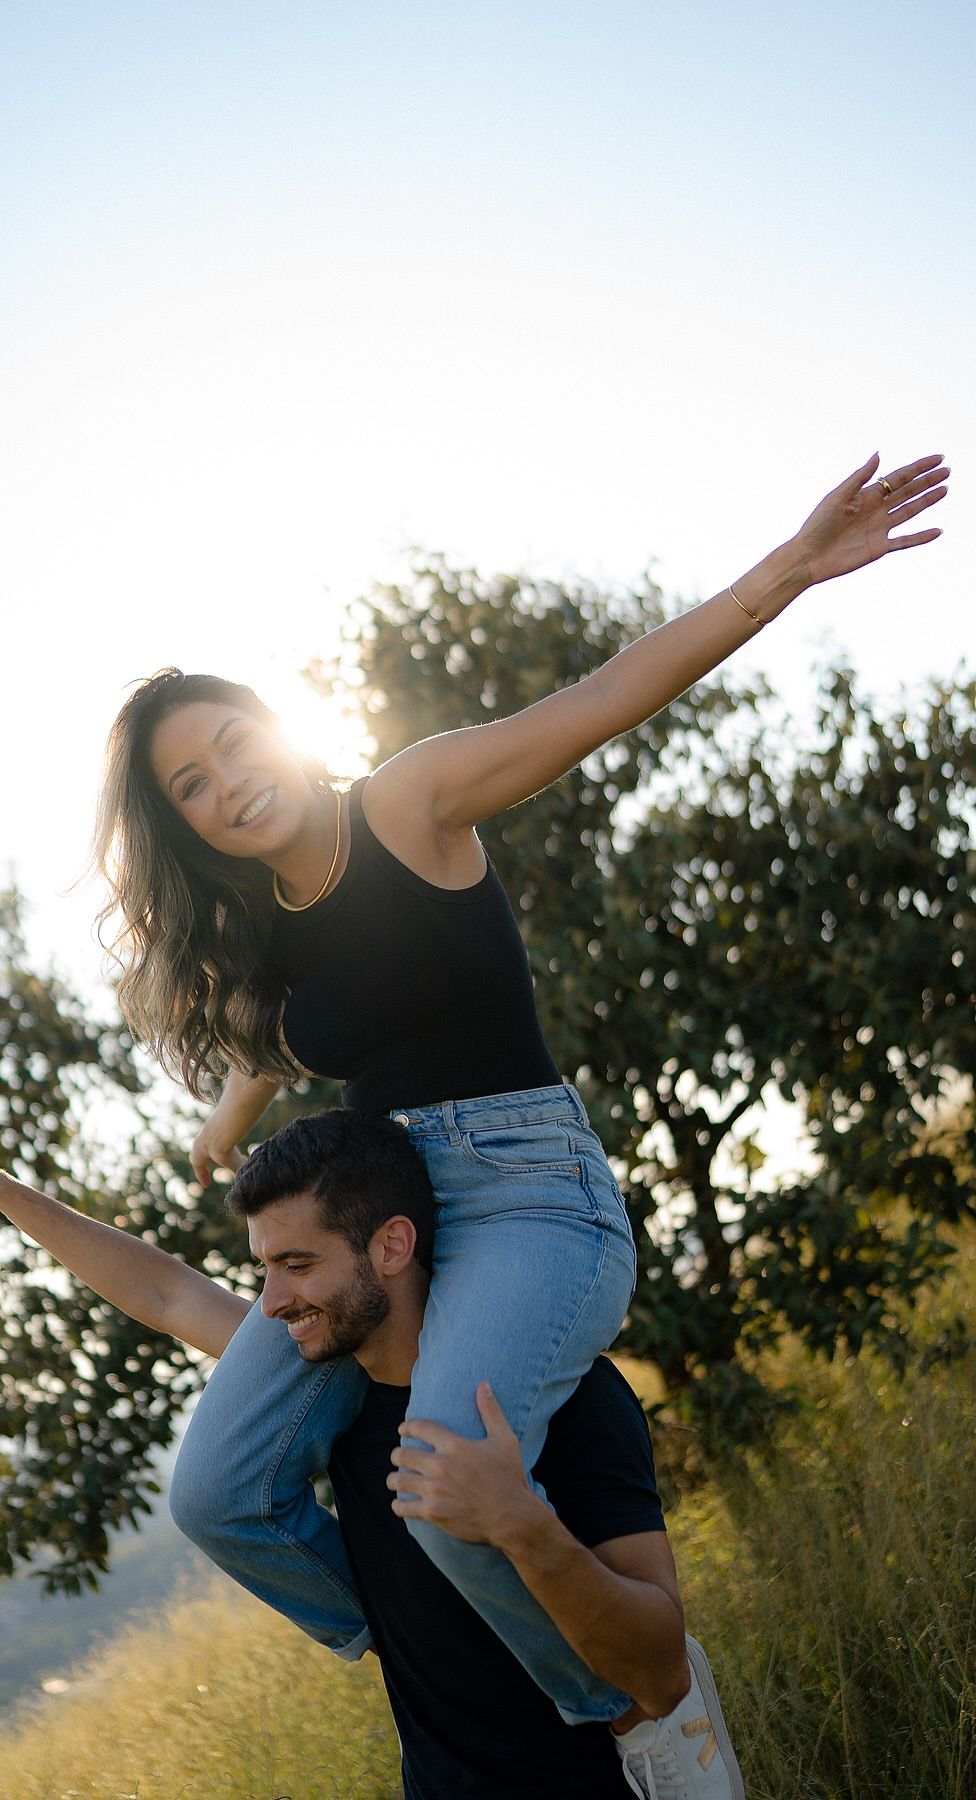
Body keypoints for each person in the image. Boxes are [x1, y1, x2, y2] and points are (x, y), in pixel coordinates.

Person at [86, 452, 948, 1741]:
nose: (223, 787)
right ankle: (418, 1626)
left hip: (532, 1195)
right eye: (190, 789)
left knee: (443, 1467)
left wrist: (788, 571)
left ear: (276, 723)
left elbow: (603, 701)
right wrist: (226, 1121)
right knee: (216, 1493)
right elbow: (298, 1026)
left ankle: (627, 1708)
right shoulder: (267, 922)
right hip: (396, 1215)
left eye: (227, 747)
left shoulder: (408, 800)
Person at [0, 1099, 743, 1798]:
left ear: (392, 1246)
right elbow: (165, 1291)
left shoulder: (572, 1402)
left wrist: (522, 1526)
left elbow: (661, 1669)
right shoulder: (330, 1397)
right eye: (264, 1268)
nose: (269, 1304)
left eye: (296, 1265)